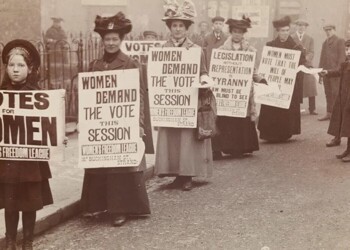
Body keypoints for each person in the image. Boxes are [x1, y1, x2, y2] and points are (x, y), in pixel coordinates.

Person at [81, 12, 150, 227]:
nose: (110, 43)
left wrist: (138, 124)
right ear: (102, 41)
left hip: (123, 123)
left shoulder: (130, 64)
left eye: (114, 39)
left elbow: (138, 95)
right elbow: (88, 98)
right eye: (107, 39)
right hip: (101, 123)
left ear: (121, 40)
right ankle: (99, 205)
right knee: (100, 162)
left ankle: (120, 209)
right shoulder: (94, 65)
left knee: (120, 166)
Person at [0, 39, 54, 249]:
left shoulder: (38, 95)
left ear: (30, 69)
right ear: (6, 67)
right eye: (12, 65)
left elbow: (49, 125)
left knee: (29, 202)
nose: (15, 70)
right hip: (8, 159)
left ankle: (28, 241)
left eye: (21, 65)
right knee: (10, 201)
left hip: (31, 160)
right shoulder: (1, 94)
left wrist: (58, 136)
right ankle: (11, 240)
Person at [155, 0, 213, 191]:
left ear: (187, 28)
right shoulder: (162, 50)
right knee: (172, 138)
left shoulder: (196, 51)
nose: (178, 29)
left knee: (186, 139)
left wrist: (204, 80)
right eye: (174, 26)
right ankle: (175, 174)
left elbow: (203, 71)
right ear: (170, 28)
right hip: (170, 101)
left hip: (189, 100)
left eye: (181, 26)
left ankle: (187, 175)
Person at [211, 16, 261, 160]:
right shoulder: (222, 50)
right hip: (227, 91)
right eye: (234, 32)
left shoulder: (250, 51)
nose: (237, 34)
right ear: (231, 32)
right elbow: (216, 69)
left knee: (240, 119)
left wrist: (260, 79)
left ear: (243, 34)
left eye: (240, 32)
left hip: (242, 91)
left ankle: (239, 147)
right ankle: (222, 147)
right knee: (225, 118)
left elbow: (254, 70)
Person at [257, 16, 305, 142]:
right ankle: (270, 133)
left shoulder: (296, 47)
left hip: (288, 83)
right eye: (282, 31)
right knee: (272, 106)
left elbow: (302, 63)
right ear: (278, 32)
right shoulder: (270, 45)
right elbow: (265, 63)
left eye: (287, 30)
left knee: (285, 108)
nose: (284, 33)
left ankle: (285, 133)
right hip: (273, 81)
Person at [320, 39, 350, 162]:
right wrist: (327, 72)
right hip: (343, 97)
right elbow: (338, 72)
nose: (348, 51)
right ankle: (348, 150)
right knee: (345, 123)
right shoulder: (346, 63)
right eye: (347, 49)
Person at [318, 24, 346, 147]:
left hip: (336, 75)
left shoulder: (340, 41)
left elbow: (342, 59)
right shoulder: (325, 42)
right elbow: (322, 57)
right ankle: (329, 113)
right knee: (328, 94)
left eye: (330, 30)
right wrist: (320, 72)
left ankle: (337, 136)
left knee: (337, 100)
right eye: (326, 30)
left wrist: (337, 71)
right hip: (327, 73)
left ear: (334, 30)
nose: (328, 32)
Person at [291, 19, 318, 115]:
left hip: (307, 64)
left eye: (303, 26)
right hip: (295, 65)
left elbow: (311, 51)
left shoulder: (310, 38)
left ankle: (312, 108)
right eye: (299, 25)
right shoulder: (291, 37)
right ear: (296, 26)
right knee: (296, 87)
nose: (301, 27)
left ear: (305, 28)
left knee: (311, 86)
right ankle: (296, 108)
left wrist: (306, 59)